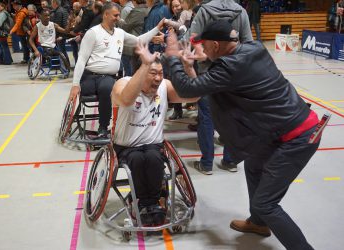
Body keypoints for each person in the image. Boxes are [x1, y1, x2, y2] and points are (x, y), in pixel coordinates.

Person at [164, 19, 322, 250]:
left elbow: (187, 89)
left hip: (298, 138)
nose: (202, 49)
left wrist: (172, 57)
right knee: (254, 165)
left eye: (204, 45)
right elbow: (224, 70)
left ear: (216, 45)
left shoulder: (228, 68)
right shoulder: (254, 48)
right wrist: (203, 61)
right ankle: (258, 223)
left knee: (267, 203)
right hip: (285, 130)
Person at [111, 42, 198, 225]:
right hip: (127, 146)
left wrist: (189, 68)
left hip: (153, 145)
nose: (158, 78)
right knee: (136, 159)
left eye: (161, 73)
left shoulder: (164, 87)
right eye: (153, 73)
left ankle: (154, 201)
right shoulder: (122, 84)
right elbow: (126, 100)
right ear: (140, 73)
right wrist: (144, 65)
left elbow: (194, 95)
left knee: (153, 158)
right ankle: (142, 203)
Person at [69, 2, 167, 139]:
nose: (118, 18)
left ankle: (103, 128)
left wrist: (157, 28)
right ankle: (73, 120)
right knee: (85, 91)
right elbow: (81, 60)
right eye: (115, 15)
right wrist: (75, 84)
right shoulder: (93, 33)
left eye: (119, 15)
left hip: (108, 78)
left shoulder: (120, 33)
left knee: (107, 89)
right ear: (106, 14)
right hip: (90, 76)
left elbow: (139, 40)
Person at [186, 0, 253, 174]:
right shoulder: (241, 12)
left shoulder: (204, 11)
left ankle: (207, 163)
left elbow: (191, 39)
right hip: (233, 73)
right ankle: (230, 161)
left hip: (207, 71)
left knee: (206, 117)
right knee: (233, 115)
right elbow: (248, 44)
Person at [118, 0, 148, 74]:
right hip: (141, 44)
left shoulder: (137, 11)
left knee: (129, 73)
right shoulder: (148, 9)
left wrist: (118, 19)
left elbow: (125, 27)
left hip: (131, 46)